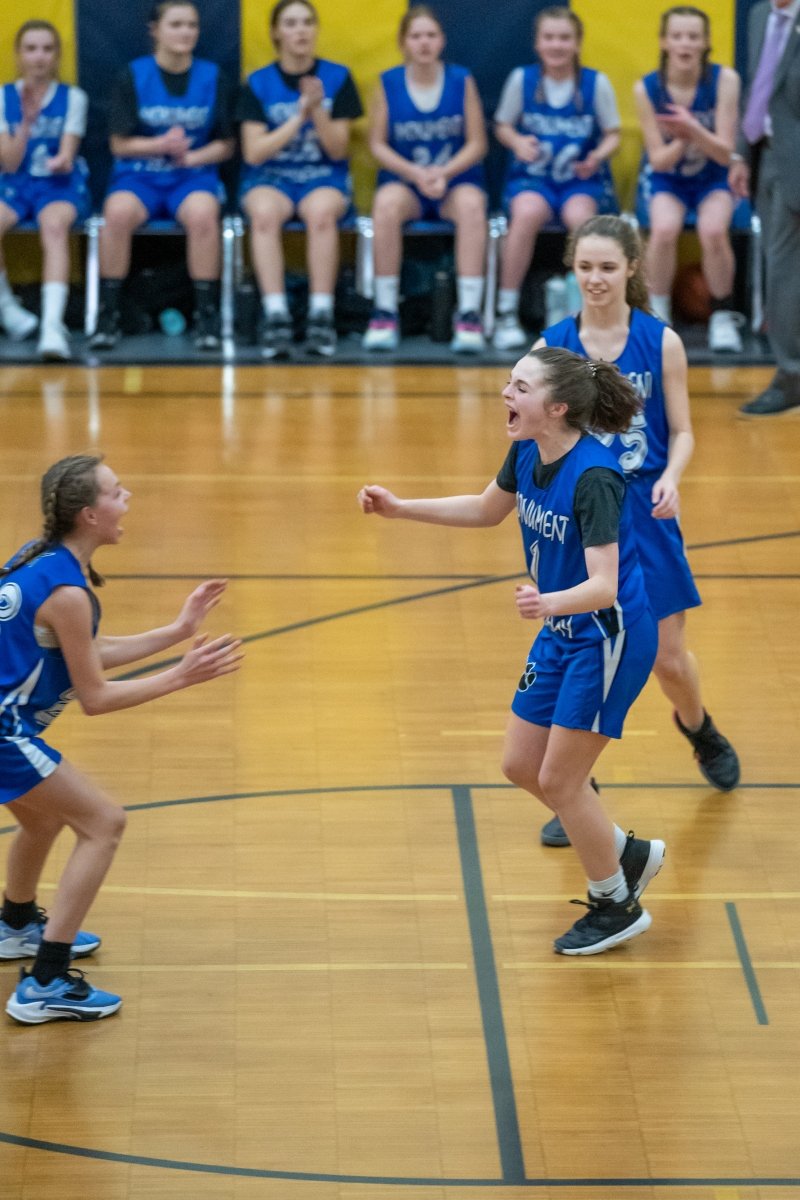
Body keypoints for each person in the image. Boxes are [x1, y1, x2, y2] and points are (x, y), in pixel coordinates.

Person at [359, 348, 666, 955]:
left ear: (557, 408)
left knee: (561, 779)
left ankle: (615, 903)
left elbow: (604, 584)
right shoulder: (528, 450)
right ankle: (623, 853)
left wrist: (548, 602)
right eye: (509, 382)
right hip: (562, 628)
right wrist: (400, 509)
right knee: (521, 764)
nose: (506, 393)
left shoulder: (595, 477)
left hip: (608, 636)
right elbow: (485, 509)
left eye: (520, 387)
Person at [0, 454, 242, 1023]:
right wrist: (180, 676)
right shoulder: (68, 592)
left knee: (43, 819)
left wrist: (178, 631)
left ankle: (15, 925)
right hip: (5, 735)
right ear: (89, 514)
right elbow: (96, 697)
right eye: (116, 491)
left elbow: (85, 649)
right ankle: (46, 981)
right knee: (104, 823)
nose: (126, 497)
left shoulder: (38, 561)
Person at [536, 214, 740, 848]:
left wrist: (672, 477)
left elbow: (682, 430)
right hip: (584, 518)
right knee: (579, 654)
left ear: (630, 268)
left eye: (607, 267)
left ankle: (700, 727)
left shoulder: (661, 341)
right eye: (584, 267)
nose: (595, 279)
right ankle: (575, 787)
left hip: (646, 516)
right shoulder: (553, 347)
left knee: (667, 659)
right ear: (573, 270)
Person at [89, 1, 236, 353]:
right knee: (116, 214)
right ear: (155, 30)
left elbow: (227, 145)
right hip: (140, 175)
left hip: (192, 176)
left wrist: (193, 156)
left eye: (192, 25)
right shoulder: (133, 75)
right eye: (176, 24)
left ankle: (207, 316)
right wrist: (160, 145)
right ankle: (108, 315)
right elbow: (119, 144)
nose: (186, 32)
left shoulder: (213, 77)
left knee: (204, 216)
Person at [238, 0, 362, 359]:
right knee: (264, 213)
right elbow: (254, 152)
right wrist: (299, 115)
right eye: (291, 23)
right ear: (276, 33)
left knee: (321, 213)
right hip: (271, 176)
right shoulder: (258, 82)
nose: (301, 30)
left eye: (307, 22)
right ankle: (276, 315)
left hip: (322, 175)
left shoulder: (337, 78)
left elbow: (338, 150)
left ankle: (321, 315)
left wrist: (318, 109)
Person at [492, 6, 621, 352]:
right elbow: (502, 125)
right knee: (526, 214)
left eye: (564, 38)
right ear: (537, 43)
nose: (556, 45)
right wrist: (516, 141)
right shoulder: (522, 80)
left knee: (582, 220)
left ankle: (588, 314)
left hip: (578, 180)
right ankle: (506, 310)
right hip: (533, 177)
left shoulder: (595, 83)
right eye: (549, 37)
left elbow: (613, 134)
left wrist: (597, 155)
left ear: (577, 43)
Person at [362, 5, 488, 355]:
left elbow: (478, 143)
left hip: (453, 181)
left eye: (431, 35)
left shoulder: (461, 79)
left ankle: (469, 313)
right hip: (408, 181)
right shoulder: (388, 82)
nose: (424, 42)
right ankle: (385, 311)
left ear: (442, 40)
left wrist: (443, 173)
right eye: (416, 36)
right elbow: (377, 144)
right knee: (385, 205)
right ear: (404, 42)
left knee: (472, 206)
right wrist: (416, 174)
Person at [634, 5, 744, 353]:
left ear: (706, 42)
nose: (685, 44)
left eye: (693, 37)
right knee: (664, 229)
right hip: (669, 178)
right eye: (678, 36)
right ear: (664, 41)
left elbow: (725, 153)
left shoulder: (725, 80)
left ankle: (722, 316)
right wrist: (684, 139)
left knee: (713, 230)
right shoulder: (647, 88)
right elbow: (658, 160)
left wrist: (691, 127)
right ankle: (658, 313)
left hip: (714, 176)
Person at [0, 20, 91, 362]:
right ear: (19, 55)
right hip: (15, 183)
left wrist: (59, 161)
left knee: (53, 226)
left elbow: (67, 156)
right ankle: (8, 310)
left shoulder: (73, 97)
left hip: (58, 184)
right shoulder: (3, 97)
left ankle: (52, 326)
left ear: (56, 56)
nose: (39, 56)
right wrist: (25, 123)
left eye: (47, 49)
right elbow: (9, 163)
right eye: (31, 49)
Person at [731, 0, 800, 415]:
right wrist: (742, 154)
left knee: (786, 272)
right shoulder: (761, 16)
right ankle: (792, 375)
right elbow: (757, 89)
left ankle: (792, 376)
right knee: (782, 272)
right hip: (771, 158)